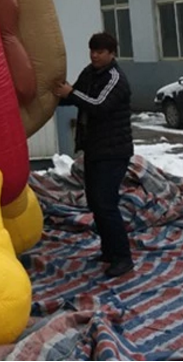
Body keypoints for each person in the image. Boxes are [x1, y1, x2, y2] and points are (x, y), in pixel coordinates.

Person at [53, 31, 134, 278]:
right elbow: (76, 95)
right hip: (95, 149)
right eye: (92, 50)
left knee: (107, 204)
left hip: (113, 151)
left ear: (111, 54)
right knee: (96, 203)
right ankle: (109, 251)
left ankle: (123, 258)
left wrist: (71, 94)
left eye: (100, 51)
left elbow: (98, 105)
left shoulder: (115, 79)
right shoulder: (90, 72)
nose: (95, 55)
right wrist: (55, 94)